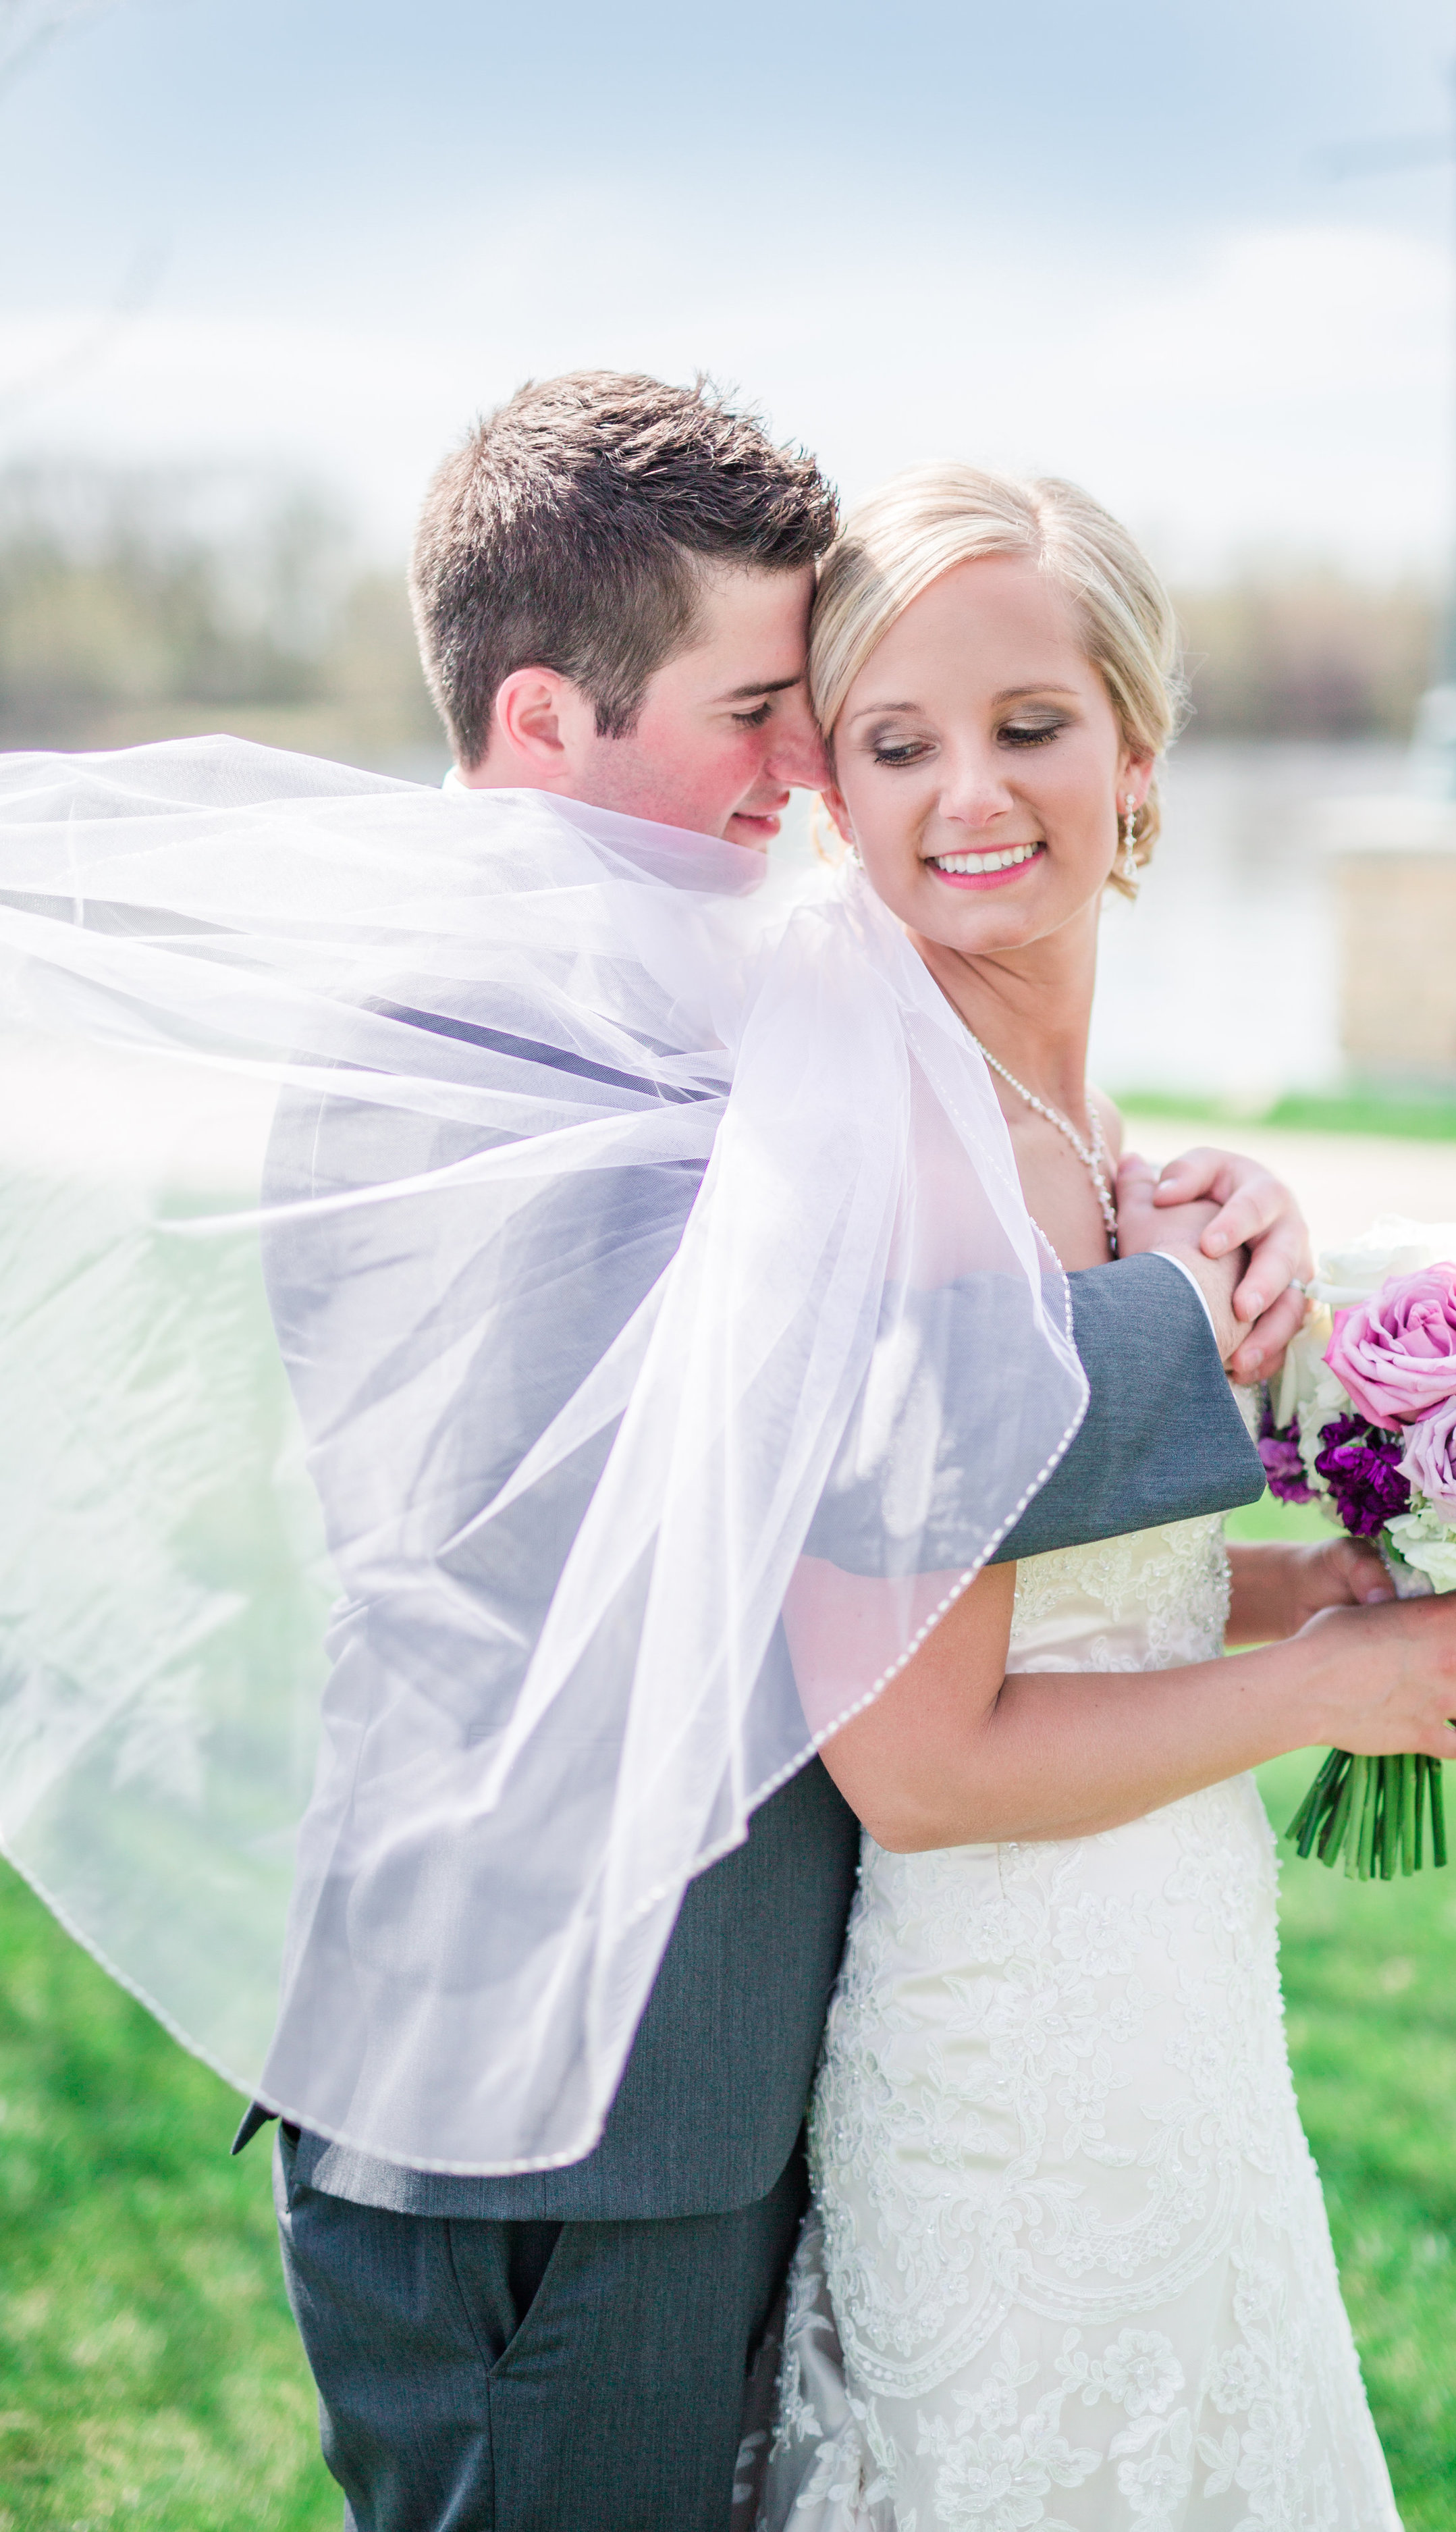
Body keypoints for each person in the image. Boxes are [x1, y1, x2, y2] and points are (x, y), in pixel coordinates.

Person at [236, 375, 1337, 2532]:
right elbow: (832, 1439)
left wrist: (1191, 1213)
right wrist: (1182, 1320)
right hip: (545, 2097)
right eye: (766, 706)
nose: (812, 766)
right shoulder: (474, 1035)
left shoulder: (687, 987)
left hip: (720, 2063)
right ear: (547, 719)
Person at [740, 465, 1456, 2532]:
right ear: (830, 784)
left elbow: (1076, 1587)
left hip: (1165, 1991)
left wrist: (1325, 1585)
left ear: (1136, 753)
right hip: (1009, 2058)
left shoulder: (1078, 1133)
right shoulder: (914, 1167)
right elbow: (921, 1761)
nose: (968, 794)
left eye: (1028, 725)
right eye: (896, 744)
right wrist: (1323, 1695)